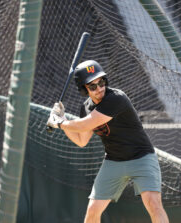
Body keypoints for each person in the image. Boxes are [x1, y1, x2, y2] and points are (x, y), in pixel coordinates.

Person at [47, 60, 169, 223]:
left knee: (153, 204)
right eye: (92, 86)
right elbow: (81, 140)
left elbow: (85, 124)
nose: (99, 89)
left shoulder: (116, 98)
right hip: (114, 160)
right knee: (92, 211)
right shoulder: (86, 107)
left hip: (141, 157)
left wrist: (59, 123)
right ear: (84, 90)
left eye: (101, 82)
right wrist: (61, 119)